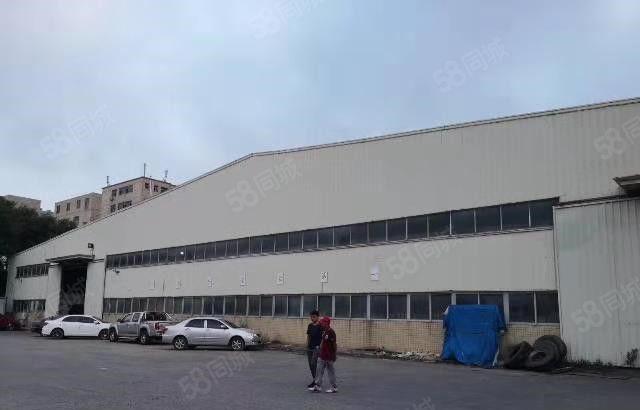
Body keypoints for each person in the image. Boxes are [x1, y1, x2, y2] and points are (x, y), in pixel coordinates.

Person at [309, 316, 338, 393]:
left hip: (329, 356)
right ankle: (317, 386)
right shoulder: (324, 331)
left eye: (323, 323)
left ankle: (334, 387)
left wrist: (334, 354)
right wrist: (319, 348)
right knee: (319, 370)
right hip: (322, 355)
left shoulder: (331, 332)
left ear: (326, 323)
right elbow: (322, 342)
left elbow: (334, 344)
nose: (321, 324)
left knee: (331, 372)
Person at [306, 310, 322, 388]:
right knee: (311, 365)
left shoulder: (320, 326)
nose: (312, 318)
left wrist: (320, 346)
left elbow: (322, 337)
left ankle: (317, 381)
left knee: (314, 364)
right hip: (310, 348)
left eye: (314, 317)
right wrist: (307, 345)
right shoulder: (310, 325)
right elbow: (308, 336)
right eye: (311, 317)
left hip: (317, 348)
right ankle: (314, 380)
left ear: (318, 317)